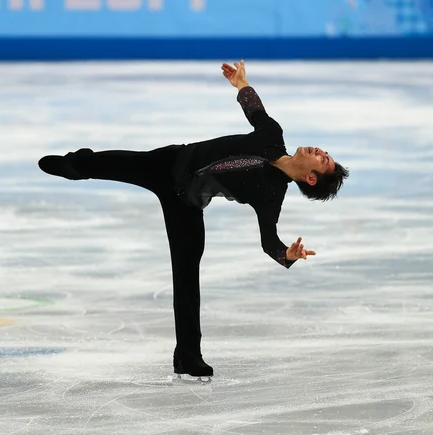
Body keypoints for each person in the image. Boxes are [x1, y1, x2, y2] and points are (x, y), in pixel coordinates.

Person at [38, 61, 349, 380]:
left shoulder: (271, 195)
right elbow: (255, 110)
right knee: (106, 163)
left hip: (185, 202)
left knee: (187, 276)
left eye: (322, 159)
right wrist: (241, 84)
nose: (319, 150)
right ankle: (74, 165)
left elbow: (269, 242)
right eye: (323, 152)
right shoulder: (272, 136)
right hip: (169, 163)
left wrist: (287, 255)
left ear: (311, 178)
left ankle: (188, 355)